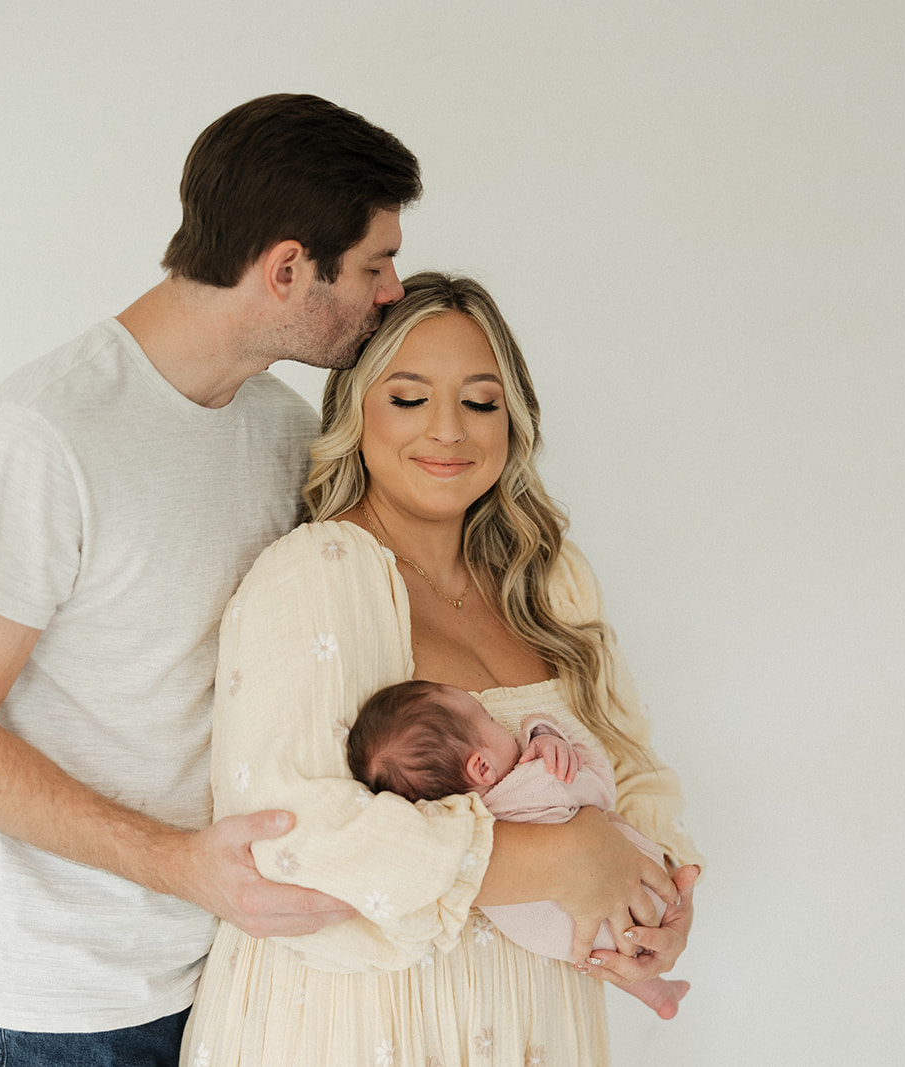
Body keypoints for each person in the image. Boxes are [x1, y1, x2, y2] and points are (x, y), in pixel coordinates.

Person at [0, 94, 421, 1066]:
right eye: (376, 263)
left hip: (238, 974)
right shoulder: (44, 438)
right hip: (62, 1006)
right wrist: (182, 866)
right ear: (288, 267)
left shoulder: (282, 431)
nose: (391, 290)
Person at [181, 272, 704, 1066]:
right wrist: (570, 859)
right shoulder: (316, 574)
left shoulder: (547, 575)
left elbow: (632, 766)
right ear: (356, 408)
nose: (449, 430)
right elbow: (292, 840)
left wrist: (659, 895)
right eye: (409, 397)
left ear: (513, 418)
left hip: (538, 1023)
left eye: (481, 401)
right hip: (355, 1029)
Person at [347, 678, 690, 1020]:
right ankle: (650, 978)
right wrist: (551, 740)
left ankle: (651, 986)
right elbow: (600, 792)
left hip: (541, 933)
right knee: (620, 932)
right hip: (628, 903)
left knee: (601, 951)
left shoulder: (457, 825)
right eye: (492, 720)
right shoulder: (533, 783)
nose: (506, 730)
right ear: (482, 767)